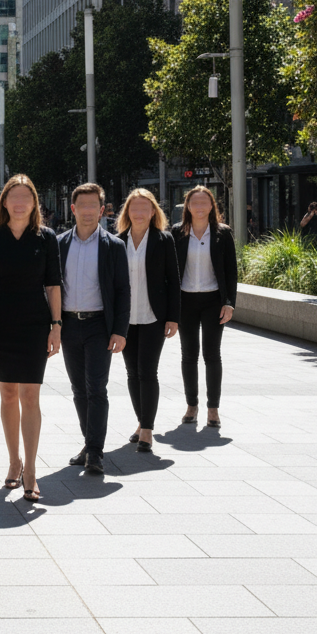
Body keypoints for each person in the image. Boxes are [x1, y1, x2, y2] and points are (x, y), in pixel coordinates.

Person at [0, 174, 62, 502]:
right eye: (12, 197)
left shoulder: (46, 239)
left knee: (30, 396)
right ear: (4, 202)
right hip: (0, 323)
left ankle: (30, 468)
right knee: (7, 395)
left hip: (34, 323)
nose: (19, 202)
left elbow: (53, 285)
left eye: (25, 197)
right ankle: (13, 460)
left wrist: (56, 325)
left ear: (34, 203)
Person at [58, 183, 131, 476]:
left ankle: (96, 452)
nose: (87, 211)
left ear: (101, 211)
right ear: (73, 209)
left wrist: (120, 330)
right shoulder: (59, 243)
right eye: (82, 206)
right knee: (78, 389)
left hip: (100, 325)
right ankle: (88, 444)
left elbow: (123, 291)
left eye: (93, 206)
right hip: (68, 325)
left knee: (96, 388)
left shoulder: (114, 246)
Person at [115, 189, 180, 453]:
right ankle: (141, 422)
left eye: (145, 208)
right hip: (125, 319)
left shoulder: (164, 240)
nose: (139, 213)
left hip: (154, 316)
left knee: (147, 371)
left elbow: (174, 281)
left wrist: (174, 318)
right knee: (132, 373)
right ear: (127, 212)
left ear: (153, 212)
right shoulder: (117, 241)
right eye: (134, 208)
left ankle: (148, 431)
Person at [175, 186, 237, 429]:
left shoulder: (222, 233)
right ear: (187, 206)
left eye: (204, 203)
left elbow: (231, 272)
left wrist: (229, 303)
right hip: (185, 302)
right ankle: (192, 405)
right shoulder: (177, 234)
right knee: (188, 355)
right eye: (194, 203)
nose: (199, 207)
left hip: (214, 302)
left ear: (212, 206)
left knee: (212, 355)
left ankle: (213, 409)